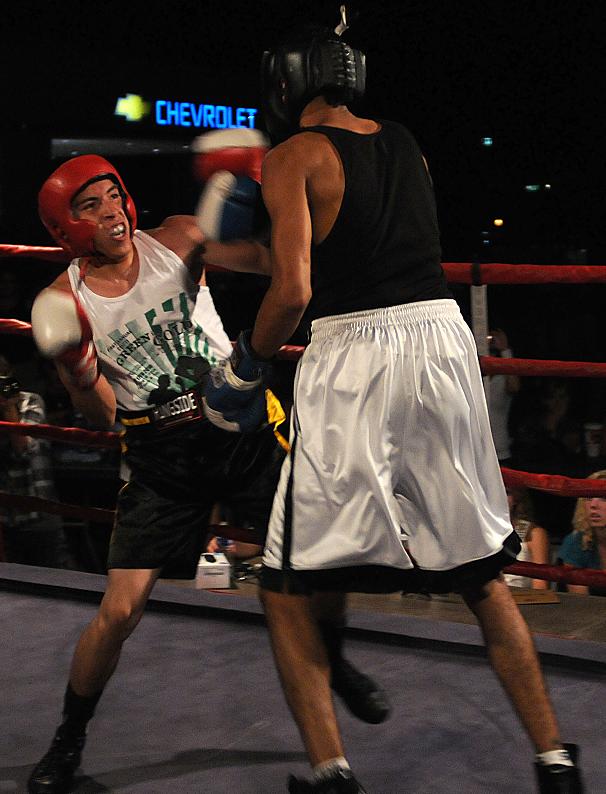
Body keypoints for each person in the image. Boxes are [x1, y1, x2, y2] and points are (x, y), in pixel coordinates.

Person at [203, 22, 584, 794]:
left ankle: (331, 773)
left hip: (356, 355)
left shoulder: (290, 157)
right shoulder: (408, 142)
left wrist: (246, 361)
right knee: (481, 571)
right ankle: (555, 762)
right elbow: (374, 241)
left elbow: (298, 289)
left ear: (285, 82)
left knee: (282, 579)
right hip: (443, 341)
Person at [26, 147, 387, 794]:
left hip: (240, 425)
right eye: (90, 204)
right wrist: (79, 373)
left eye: (113, 194)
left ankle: (332, 657)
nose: (110, 210)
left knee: (312, 558)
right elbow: (102, 417)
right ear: (66, 226)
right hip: (161, 458)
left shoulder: (177, 239)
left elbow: (280, 265)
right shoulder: (64, 302)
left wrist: (259, 210)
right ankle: (68, 739)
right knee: (120, 610)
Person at [0, 354, 76, 569]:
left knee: (55, 578)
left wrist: (8, 407)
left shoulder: (29, 401)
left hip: (38, 509)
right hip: (6, 516)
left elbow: (24, 450)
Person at [558, 470, 606, 596]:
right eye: (588, 497)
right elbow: (581, 601)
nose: (593, 505)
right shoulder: (576, 541)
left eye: (603, 497)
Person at [503, 484, 551, 590]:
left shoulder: (534, 534)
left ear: (516, 498)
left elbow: (540, 585)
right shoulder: (478, 531)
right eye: (494, 492)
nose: (499, 497)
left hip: (521, 601)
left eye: (506, 492)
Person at [486, 328, 520, 466]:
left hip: (500, 452)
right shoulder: (474, 377)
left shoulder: (503, 378)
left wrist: (505, 349)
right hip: (476, 450)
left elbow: (514, 387)